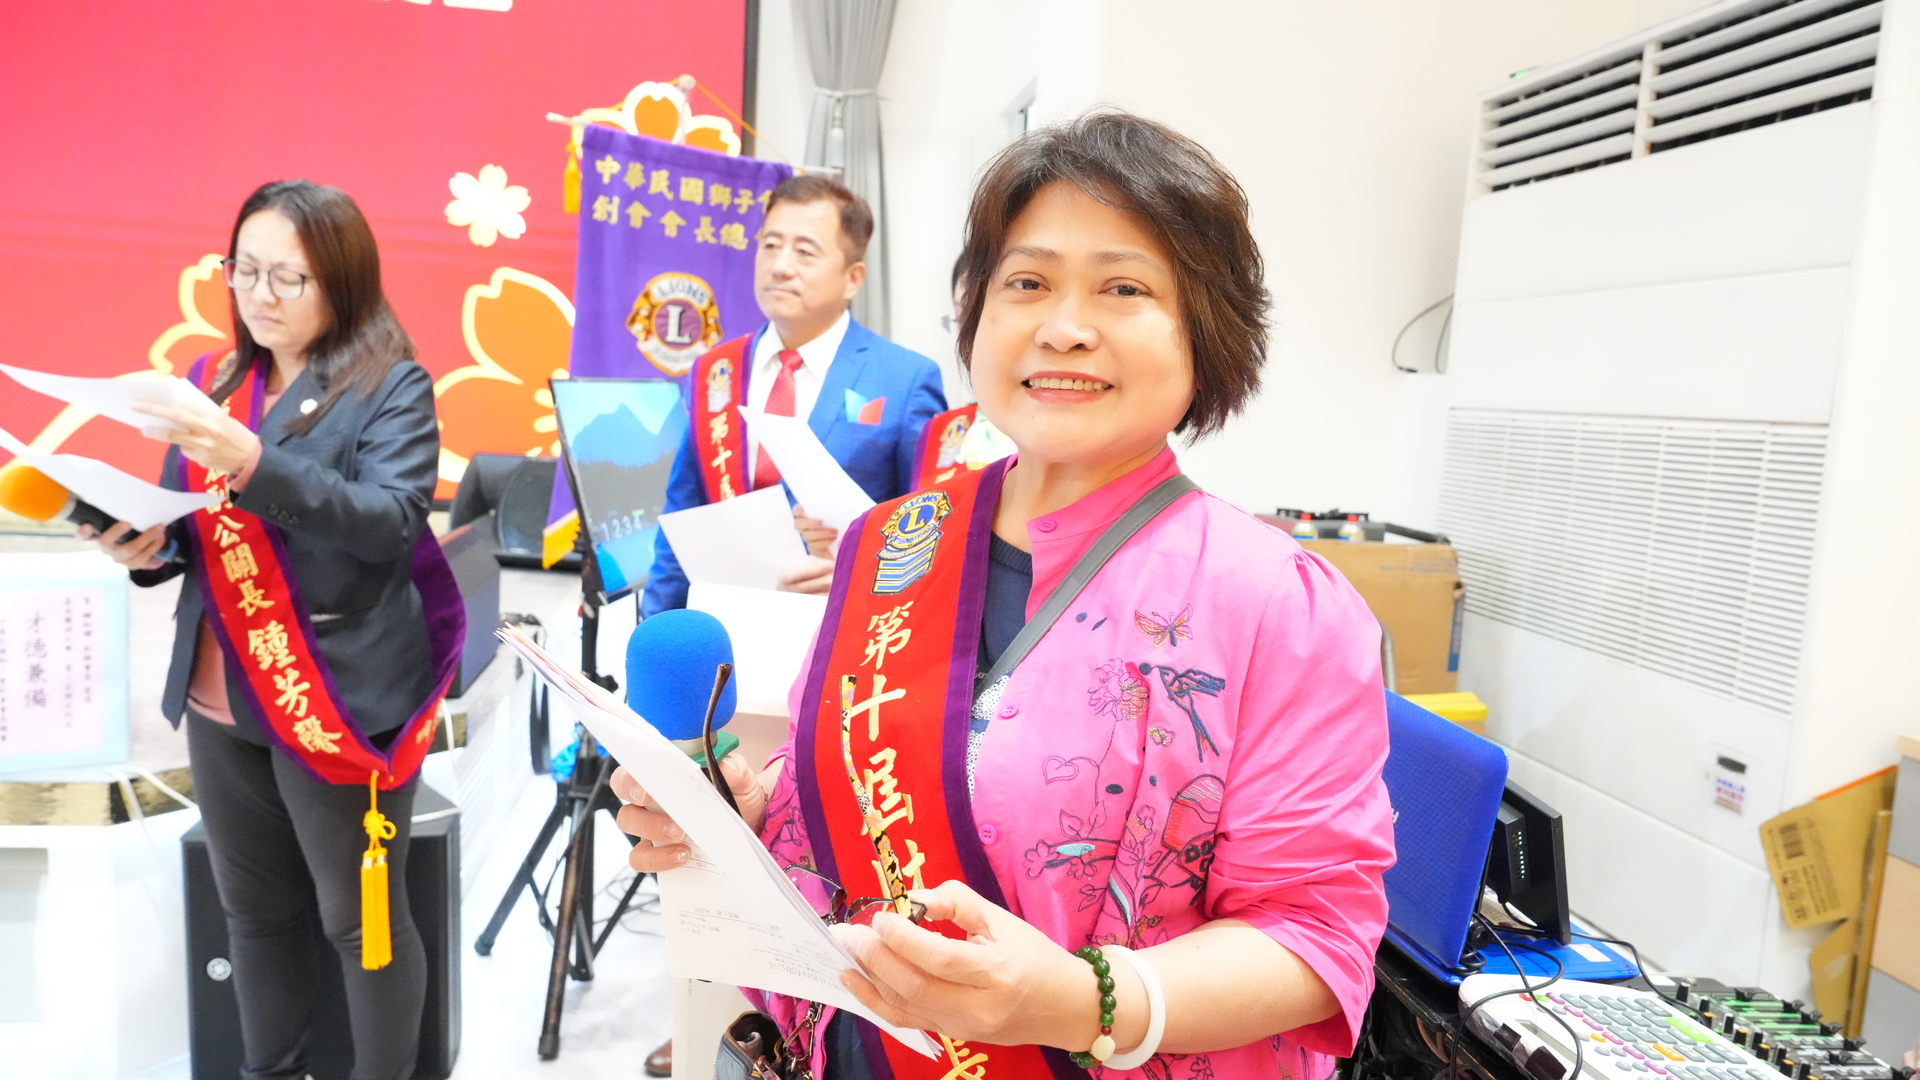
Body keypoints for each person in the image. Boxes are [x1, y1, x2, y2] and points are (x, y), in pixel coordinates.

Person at [614, 112, 1394, 1079]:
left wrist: (1076, 1001)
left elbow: (1314, 936)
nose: (1063, 326)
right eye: (1026, 282)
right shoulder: (891, 544)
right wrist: (748, 809)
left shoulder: (1276, 602)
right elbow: (847, 799)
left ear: (1207, 331)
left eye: (1124, 288)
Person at [84, 180, 456, 1080]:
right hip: (220, 692)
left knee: (359, 920)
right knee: (253, 914)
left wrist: (254, 461)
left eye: (287, 277)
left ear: (342, 281)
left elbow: (390, 522)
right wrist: (144, 550)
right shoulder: (215, 379)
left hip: (332, 692)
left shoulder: (390, 384)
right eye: (243, 270)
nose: (259, 295)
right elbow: (191, 531)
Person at [638, 174, 948, 615]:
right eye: (770, 244)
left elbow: (931, 533)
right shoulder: (716, 370)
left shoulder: (905, 380)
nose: (780, 266)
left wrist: (857, 577)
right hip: (726, 625)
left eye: (805, 251)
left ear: (853, 278)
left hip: (839, 626)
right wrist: (651, 632)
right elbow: (684, 512)